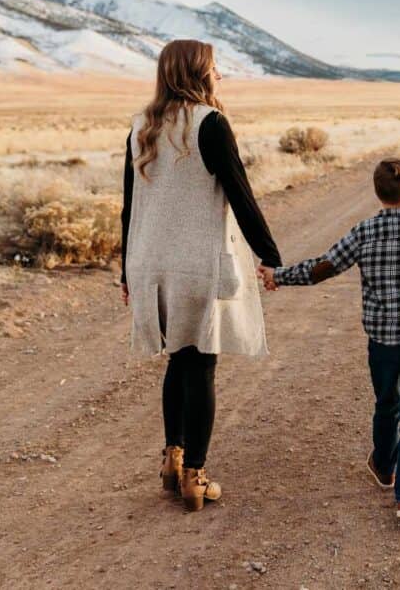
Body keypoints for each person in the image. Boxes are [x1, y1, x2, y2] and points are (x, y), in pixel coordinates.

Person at [257, 157, 400, 524]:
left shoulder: (364, 232)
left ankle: (384, 465)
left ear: (378, 193)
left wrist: (279, 276)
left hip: (383, 341)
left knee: (387, 403)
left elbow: (322, 268)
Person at [121, 39, 281, 512]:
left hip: (150, 262)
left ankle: (172, 460)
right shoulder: (210, 124)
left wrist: (125, 270)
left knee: (178, 358)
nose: (219, 76)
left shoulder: (140, 127)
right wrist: (269, 255)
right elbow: (241, 194)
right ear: (197, 73)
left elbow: (131, 207)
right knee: (201, 362)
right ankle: (196, 477)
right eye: (214, 68)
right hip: (197, 262)